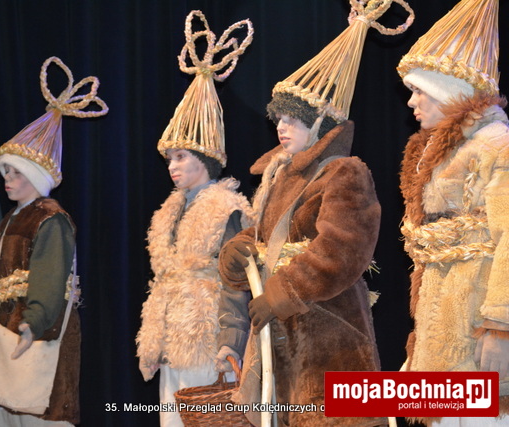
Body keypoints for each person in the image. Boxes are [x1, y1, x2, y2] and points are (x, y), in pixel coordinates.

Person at [217, 1, 414, 425]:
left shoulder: (344, 171)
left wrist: (282, 293)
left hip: (329, 331)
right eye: (279, 118)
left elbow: (342, 250)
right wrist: (239, 249)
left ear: (321, 124)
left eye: (293, 119)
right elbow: (271, 235)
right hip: (284, 337)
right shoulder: (281, 174)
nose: (281, 127)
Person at [0, 57, 108, 426]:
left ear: (35, 177)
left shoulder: (50, 218)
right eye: (5, 172)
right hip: (4, 335)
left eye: (16, 172)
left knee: (35, 414)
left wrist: (33, 322)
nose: (7, 179)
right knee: (3, 415)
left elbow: (49, 280)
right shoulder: (11, 220)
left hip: (36, 338)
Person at [135, 11, 254, 427]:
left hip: (206, 336)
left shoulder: (227, 208)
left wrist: (231, 341)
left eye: (181, 156)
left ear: (203, 158)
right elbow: (163, 278)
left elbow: (237, 279)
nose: (172, 166)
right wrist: (156, 335)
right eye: (169, 158)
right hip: (171, 334)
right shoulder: (168, 211)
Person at [396, 0, 509, 424]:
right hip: (442, 324)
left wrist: (499, 327)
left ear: (449, 91)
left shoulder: (496, 146)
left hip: (475, 325)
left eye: (419, 91)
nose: (411, 102)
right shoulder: (443, 150)